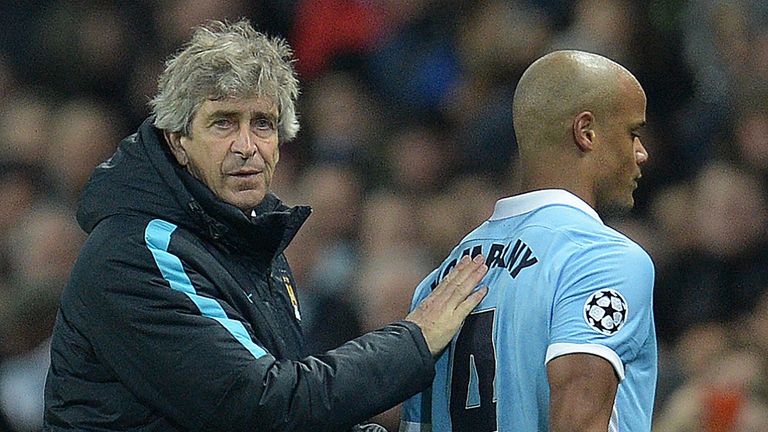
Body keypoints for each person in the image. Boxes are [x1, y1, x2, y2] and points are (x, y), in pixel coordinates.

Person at [43, 20, 489, 432]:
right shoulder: (139, 253)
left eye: (263, 124)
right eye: (223, 123)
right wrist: (413, 340)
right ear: (178, 141)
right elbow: (265, 404)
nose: (246, 147)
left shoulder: (248, 240)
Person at [400, 50, 656, 431]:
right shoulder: (602, 259)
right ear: (586, 132)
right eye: (632, 132)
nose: (642, 153)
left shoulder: (438, 283)